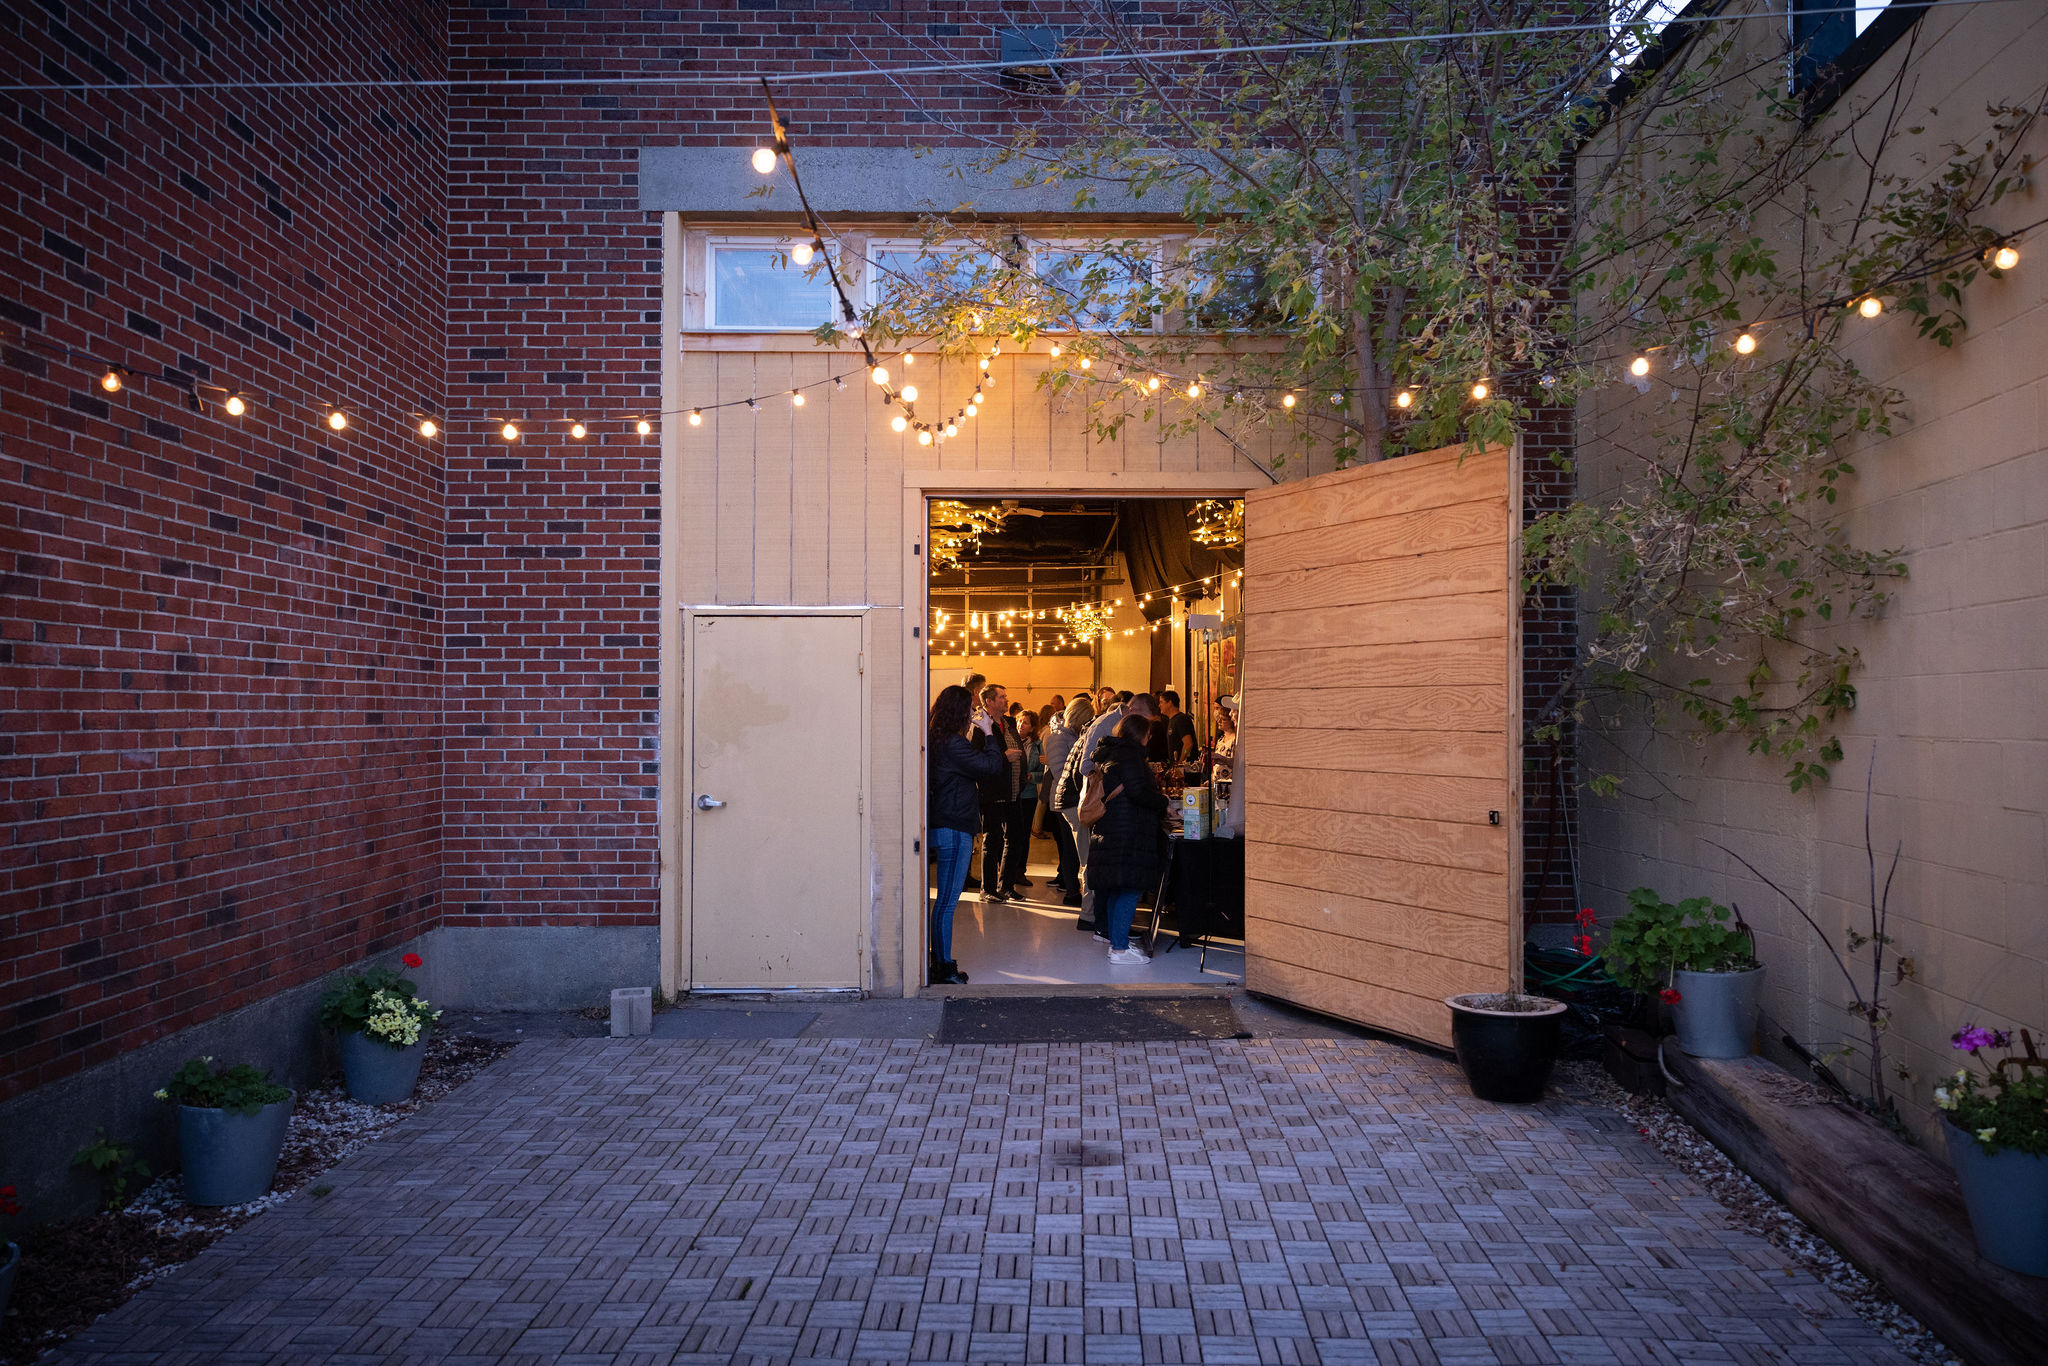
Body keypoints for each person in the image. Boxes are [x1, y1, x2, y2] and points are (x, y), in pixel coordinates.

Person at [927, 685, 1009, 984]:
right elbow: (991, 766)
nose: (975, 713)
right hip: (954, 826)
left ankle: (939, 961)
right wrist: (988, 732)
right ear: (960, 712)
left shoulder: (938, 739)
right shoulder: (952, 743)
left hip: (944, 823)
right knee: (948, 901)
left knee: (943, 901)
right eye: (972, 708)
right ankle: (944, 967)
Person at [1086, 713, 1168, 965]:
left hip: (1113, 828)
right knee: (1130, 888)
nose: (1149, 738)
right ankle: (1120, 950)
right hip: (1128, 830)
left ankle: (1116, 941)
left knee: (1116, 888)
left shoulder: (1113, 753)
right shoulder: (1130, 755)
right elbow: (1138, 791)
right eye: (1148, 734)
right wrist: (1163, 802)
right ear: (1141, 734)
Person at [1044, 694, 1092, 903]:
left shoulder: (1071, 735)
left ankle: (1072, 888)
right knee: (1070, 848)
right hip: (1066, 800)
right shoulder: (1057, 737)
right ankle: (1072, 891)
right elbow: (1059, 770)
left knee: (1071, 847)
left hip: (1072, 798)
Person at [977, 682, 1023, 900]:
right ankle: (988, 889)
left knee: (1015, 839)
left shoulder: (1008, 723)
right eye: (1002, 697)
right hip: (993, 792)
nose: (1006, 700)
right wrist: (1005, 758)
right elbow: (978, 759)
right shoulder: (980, 726)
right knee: (992, 840)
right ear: (989, 701)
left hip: (1013, 792)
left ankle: (1007, 886)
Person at [1000, 710, 1045, 899]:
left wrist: (1030, 776)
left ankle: (1020, 871)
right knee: (1008, 835)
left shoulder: (1037, 745)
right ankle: (1004, 874)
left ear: (1032, 727)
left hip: (1027, 794)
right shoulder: (1007, 740)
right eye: (1019, 721)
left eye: (1025, 723)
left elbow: (1043, 771)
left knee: (1023, 835)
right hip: (1010, 792)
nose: (1021, 725)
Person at [1159, 689, 1198, 767]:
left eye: (1161, 702)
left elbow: (1188, 744)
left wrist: (1180, 763)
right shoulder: (1171, 720)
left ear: (1170, 703)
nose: (1159, 705)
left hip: (1185, 770)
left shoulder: (1180, 719)